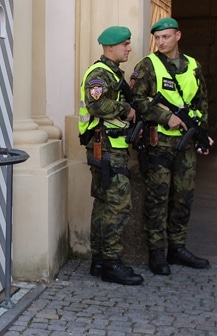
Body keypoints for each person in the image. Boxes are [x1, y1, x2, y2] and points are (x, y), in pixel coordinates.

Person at [130, 17, 212, 275]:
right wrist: (167, 117)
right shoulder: (148, 65)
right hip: (159, 143)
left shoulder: (193, 66)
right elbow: (136, 101)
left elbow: (202, 103)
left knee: (183, 197)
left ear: (178, 35)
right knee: (158, 198)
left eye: (166, 37)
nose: (161, 42)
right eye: (158, 38)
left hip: (186, 145)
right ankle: (156, 253)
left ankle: (177, 248)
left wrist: (202, 134)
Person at [78, 26, 143, 285]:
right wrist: (125, 109)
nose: (129, 48)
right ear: (110, 47)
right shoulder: (99, 74)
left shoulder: (113, 73)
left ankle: (99, 261)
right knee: (118, 205)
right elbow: (96, 103)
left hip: (109, 147)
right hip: (105, 148)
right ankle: (112, 263)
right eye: (125, 44)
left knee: (104, 205)